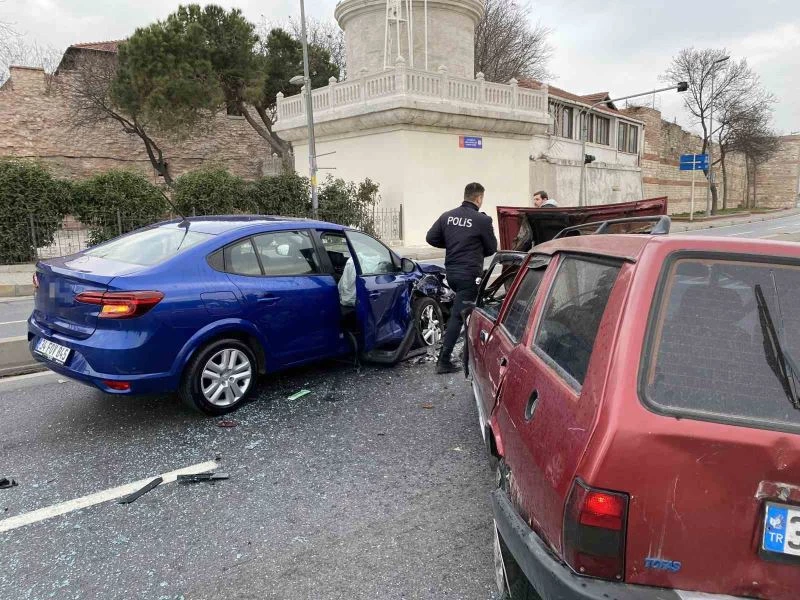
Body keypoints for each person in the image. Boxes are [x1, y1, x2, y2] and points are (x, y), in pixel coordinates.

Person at [426, 182, 498, 374]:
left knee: (466, 311)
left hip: (452, 274)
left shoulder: (447, 216)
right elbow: (491, 249)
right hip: (469, 276)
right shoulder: (482, 220)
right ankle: (444, 360)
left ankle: (465, 352)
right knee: (459, 316)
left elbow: (431, 238)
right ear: (479, 198)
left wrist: (452, 243)